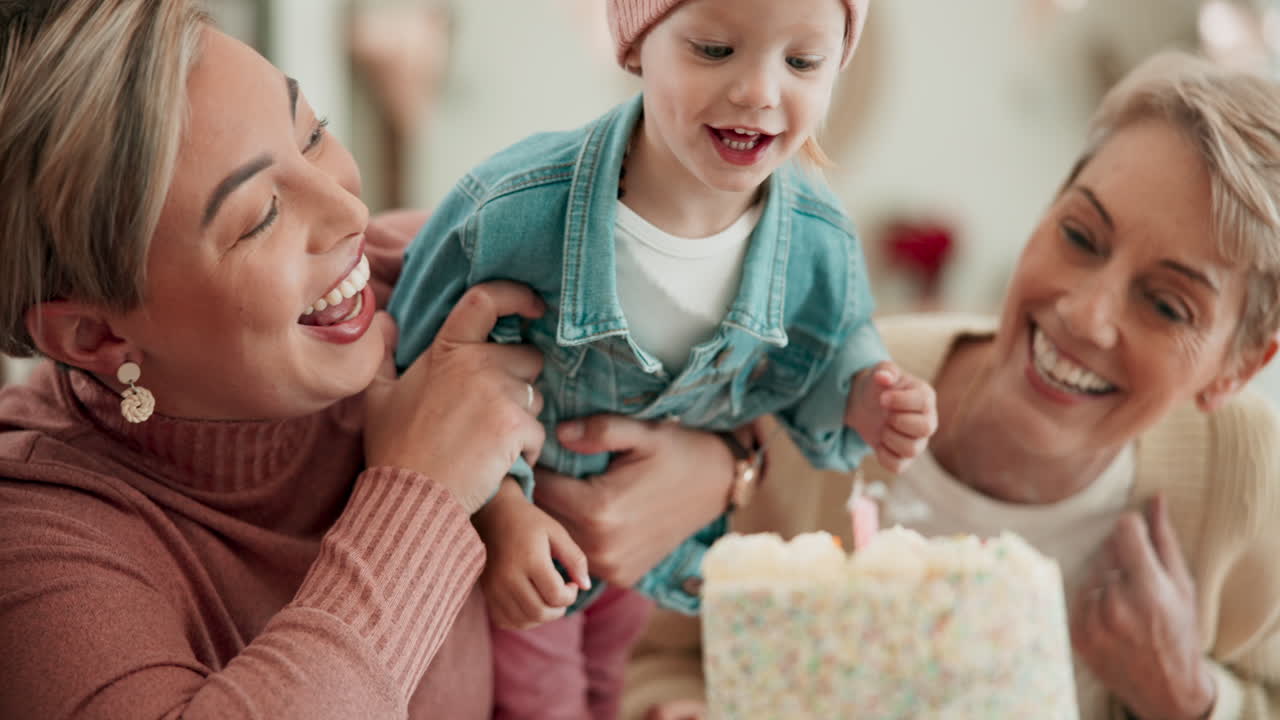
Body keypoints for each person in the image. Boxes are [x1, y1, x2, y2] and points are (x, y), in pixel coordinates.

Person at [0, 2, 747, 718]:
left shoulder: (439, 276)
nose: (348, 211)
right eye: (259, 217)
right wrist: (423, 489)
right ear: (95, 337)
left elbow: (767, 333)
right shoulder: (36, 536)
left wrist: (723, 466)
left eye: (313, 134)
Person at [626, 50, 1280, 720]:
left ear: (1238, 367)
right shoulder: (818, 390)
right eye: (1081, 235)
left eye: (1168, 305)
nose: (1087, 314)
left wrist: (1187, 698)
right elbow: (659, 657)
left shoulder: (1249, 486)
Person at [386, 0, 939, 716]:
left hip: (656, 557)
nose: (760, 92)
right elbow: (419, 374)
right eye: (714, 50)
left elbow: (830, 348)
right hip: (528, 536)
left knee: (610, 680)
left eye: (802, 62)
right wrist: (497, 511)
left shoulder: (818, 239)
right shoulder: (514, 208)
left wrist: (867, 394)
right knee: (540, 699)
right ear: (638, 45)